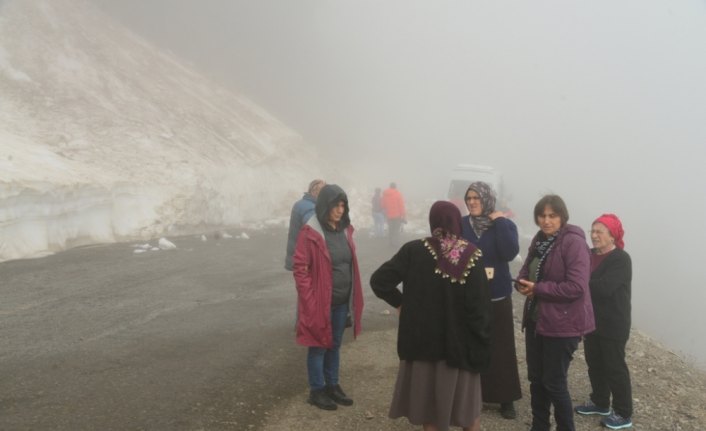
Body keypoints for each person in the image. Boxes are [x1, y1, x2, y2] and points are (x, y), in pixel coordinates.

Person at [370, 200, 492, 431]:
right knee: (468, 412)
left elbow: (379, 281)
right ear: (458, 222)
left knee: (430, 411)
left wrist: (400, 304)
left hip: (422, 347)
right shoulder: (472, 255)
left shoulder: (413, 250)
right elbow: (480, 310)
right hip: (460, 351)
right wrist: (481, 347)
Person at [515, 194, 595, 431]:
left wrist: (538, 289)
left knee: (554, 383)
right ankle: (539, 426)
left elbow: (577, 287)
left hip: (563, 325)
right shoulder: (540, 240)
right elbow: (526, 269)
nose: (546, 220)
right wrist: (521, 283)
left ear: (562, 216)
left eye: (552, 215)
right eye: (542, 215)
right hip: (537, 321)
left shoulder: (574, 243)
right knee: (537, 380)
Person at [292, 184, 364, 411]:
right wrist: (309, 301)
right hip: (320, 303)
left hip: (341, 302)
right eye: (335, 205)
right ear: (325, 206)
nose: (339, 210)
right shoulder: (311, 232)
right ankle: (317, 390)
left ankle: (332, 385)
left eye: (343, 205)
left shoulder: (344, 230)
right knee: (318, 346)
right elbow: (300, 269)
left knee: (334, 344)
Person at [460, 182, 522, 420]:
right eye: (469, 198)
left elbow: (508, 252)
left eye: (477, 198)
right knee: (471, 346)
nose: (472, 202)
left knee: (501, 347)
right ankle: (472, 394)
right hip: (469, 297)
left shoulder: (504, 225)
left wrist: (500, 222)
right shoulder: (462, 224)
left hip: (497, 295)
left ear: (487, 200)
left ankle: (506, 398)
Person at [574, 214, 633, 430]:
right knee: (594, 363)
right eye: (593, 230)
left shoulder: (621, 259)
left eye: (600, 231)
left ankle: (624, 413)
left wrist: (579, 282)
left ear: (612, 236)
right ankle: (600, 402)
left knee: (615, 367)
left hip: (614, 323)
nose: (594, 235)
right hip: (591, 320)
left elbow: (605, 287)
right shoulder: (589, 255)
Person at [284, 178, 325, 271]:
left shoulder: (302, 203)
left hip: (298, 255)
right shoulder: (309, 207)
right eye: (323, 191)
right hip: (304, 258)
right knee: (309, 283)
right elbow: (315, 227)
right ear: (314, 191)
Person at [380, 182, 406, 247]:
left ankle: (391, 243)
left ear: (390, 186)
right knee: (396, 230)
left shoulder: (385, 194)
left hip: (388, 215)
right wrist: (403, 215)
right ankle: (396, 243)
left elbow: (382, 205)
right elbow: (401, 205)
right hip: (397, 215)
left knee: (390, 229)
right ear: (395, 187)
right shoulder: (398, 194)